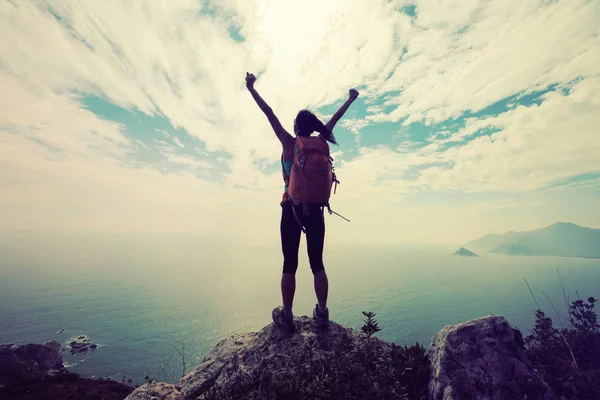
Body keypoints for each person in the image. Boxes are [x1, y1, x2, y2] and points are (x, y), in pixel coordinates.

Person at [245, 72, 359, 332]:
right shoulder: (321, 142)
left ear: (296, 127)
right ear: (314, 127)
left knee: (290, 264)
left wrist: (252, 88)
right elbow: (336, 118)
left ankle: (287, 316)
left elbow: (269, 113)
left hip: (291, 210)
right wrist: (350, 99)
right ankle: (322, 314)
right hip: (317, 211)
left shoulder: (289, 142)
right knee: (317, 263)